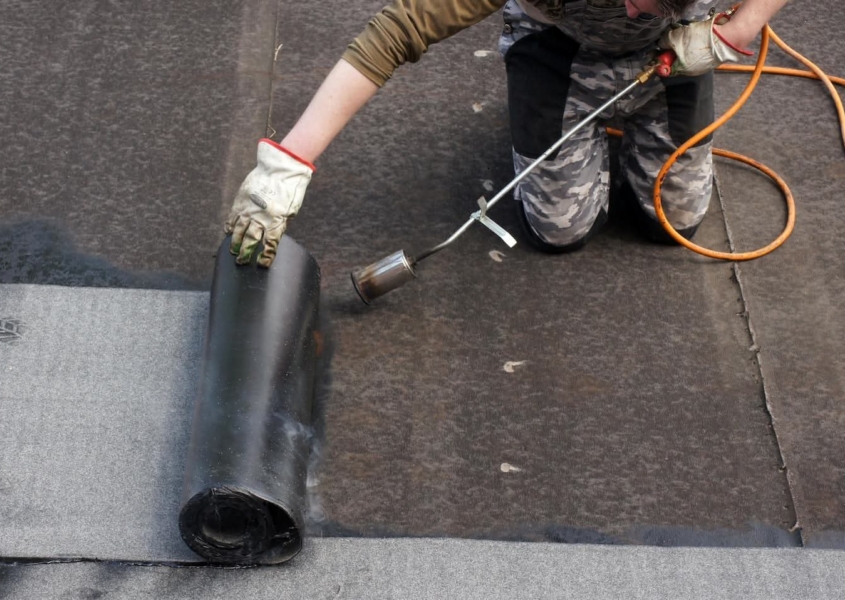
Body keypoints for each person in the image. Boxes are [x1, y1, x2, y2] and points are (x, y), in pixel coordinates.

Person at [224, 0, 790, 266]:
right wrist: (287, 164)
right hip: (562, 49)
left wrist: (735, 29)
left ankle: (635, 113)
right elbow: (394, 33)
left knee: (675, 220)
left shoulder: (666, 11)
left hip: (677, 52)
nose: (638, 7)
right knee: (560, 230)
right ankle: (549, 119)